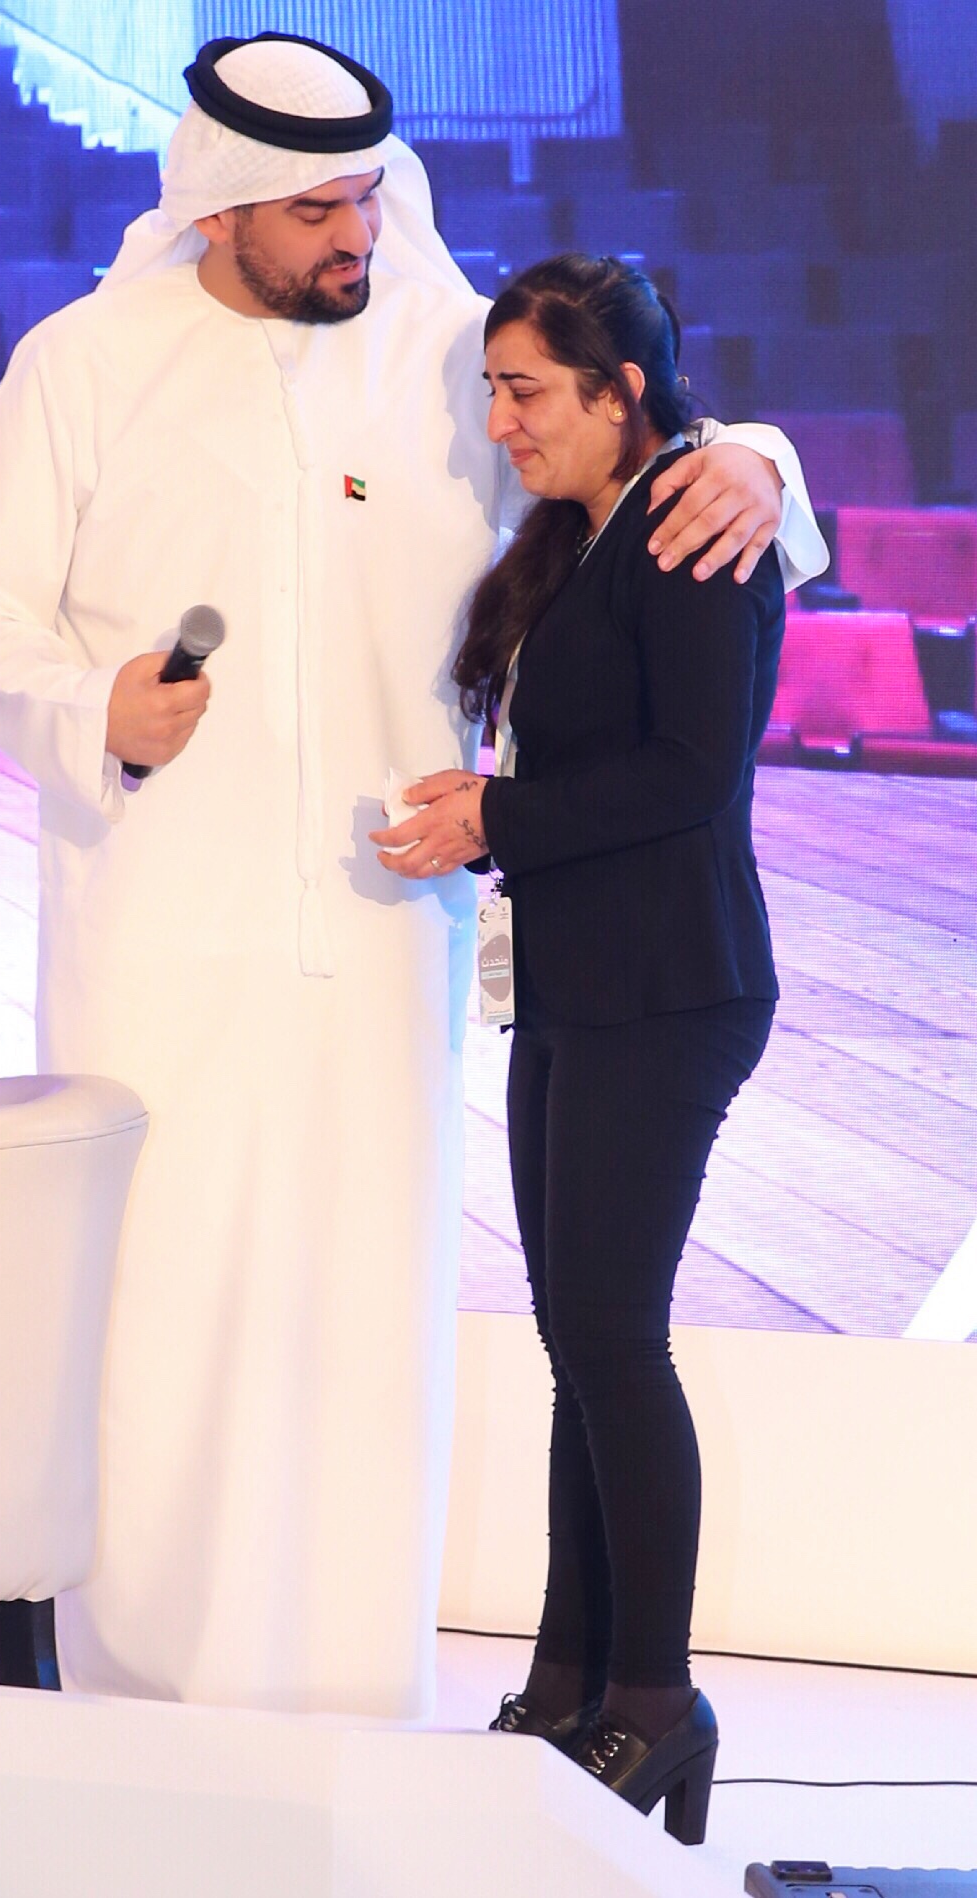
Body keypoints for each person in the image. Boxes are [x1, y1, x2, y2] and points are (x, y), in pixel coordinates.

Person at [0, 34, 826, 1719]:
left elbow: (638, 435)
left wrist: (766, 461)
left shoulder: (444, 353)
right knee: (167, 1314)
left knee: (362, 1321)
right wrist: (85, 708)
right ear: (222, 205)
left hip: (388, 935)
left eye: (370, 196)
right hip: (161, 935)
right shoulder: (87, 365)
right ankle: (150, 1702)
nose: (361, 232)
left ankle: (350, 1699)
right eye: (319, 208)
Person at [372, 251, 786, 1838]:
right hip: (583, 981)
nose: (502, 419)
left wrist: (498, 817)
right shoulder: (587, 530)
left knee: (613, 1336)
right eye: (492, 388)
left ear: (621, 392)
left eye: (526, 389)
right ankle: (568, 1684)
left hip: (670, 989)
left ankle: (654, 1702)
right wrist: (497, 814)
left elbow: (691, 774)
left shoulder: (691, 523)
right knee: (582, 1341)